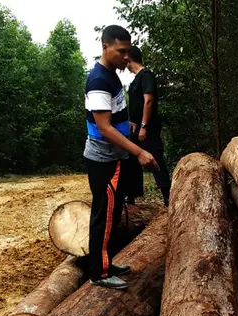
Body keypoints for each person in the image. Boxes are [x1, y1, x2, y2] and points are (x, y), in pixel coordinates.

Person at [84, 25, 159, 290]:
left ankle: (106, 262)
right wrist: (137, 151)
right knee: (103, 216)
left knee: (113, 214)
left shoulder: (112, 75)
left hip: (115, 157)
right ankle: (99, 273)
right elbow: (103, 127)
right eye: (121, 51)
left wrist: (133, 128)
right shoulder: (98, 81)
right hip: (103, 160)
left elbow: (116, 118)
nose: (126, 57)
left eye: (128, 51)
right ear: (105, 47)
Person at [125, 45, 171, 206]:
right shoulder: (136, 78)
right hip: (135, 127)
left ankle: (168, 197)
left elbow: (149, 101)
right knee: (131, 158)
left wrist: (143, 125)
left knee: (154, 159)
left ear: (129, 58)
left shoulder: (146, 75)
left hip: (148, 127)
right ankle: (131, 196)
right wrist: (132, 122)